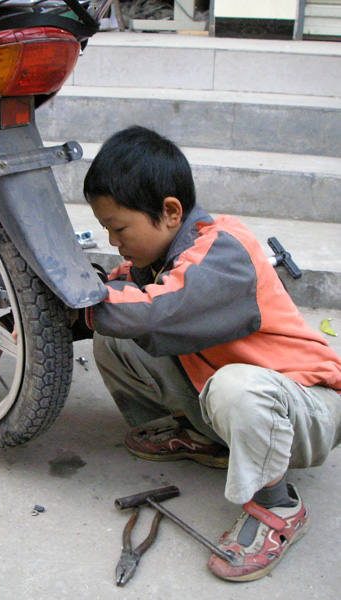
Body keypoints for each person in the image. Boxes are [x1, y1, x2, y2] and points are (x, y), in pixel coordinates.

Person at [77, 125, 341, 582]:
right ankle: (207, 438)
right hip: (253, 399)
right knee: (113, 335)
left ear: (170, 212)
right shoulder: (156, 260)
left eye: (119, 228)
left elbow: (156, 313)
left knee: (232, 385)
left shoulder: (224, 250)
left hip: (310, 405)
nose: (113, 241)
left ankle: (278, 506)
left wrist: (78, 302)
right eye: (105, 229)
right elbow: (108, 291)